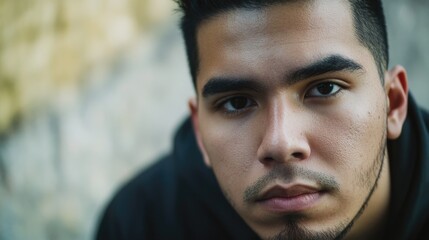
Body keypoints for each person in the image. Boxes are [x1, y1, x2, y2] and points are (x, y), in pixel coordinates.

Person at [96, 0, 429, 239]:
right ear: (199, 131)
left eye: (325, 88)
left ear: (393, 104)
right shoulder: (142, 221)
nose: (281, 143)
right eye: (237, 102)